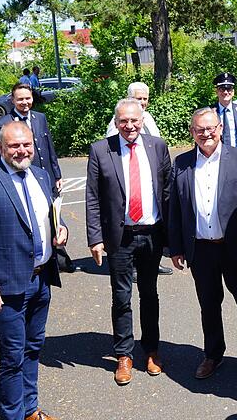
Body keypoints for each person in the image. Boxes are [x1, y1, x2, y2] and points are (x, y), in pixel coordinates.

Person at [0, 121, 68, 420]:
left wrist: (61, 231)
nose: (22, 150)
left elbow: (49, 217)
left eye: (26, 144)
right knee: (12, 356)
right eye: (14, 146)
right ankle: (13, 415)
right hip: (6, 286)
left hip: (41, 278)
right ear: (1, 148)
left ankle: (30, 408)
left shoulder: (41, 176)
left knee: (33, 348)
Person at [169, 107, 237, 380]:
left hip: (233, 247)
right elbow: (176, 207)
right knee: (209, 305)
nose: (206, 133)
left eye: (211, 128)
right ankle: (213, 354)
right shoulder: (182, 163)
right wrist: (176, 247)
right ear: (192, 132)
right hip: (201, 249)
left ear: (220, 128)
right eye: (200, 129)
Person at [85, 98, 171, 385]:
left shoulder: (157, 146)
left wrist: (173, 238)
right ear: (116, 121)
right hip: (120, 237)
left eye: (134, 120)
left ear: (143, 119)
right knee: (121, 296)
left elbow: (168, 191)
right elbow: (93, 198)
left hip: (151, 234)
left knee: (150, 294)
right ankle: (124, 354)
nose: (129, 126)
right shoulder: (100, 150)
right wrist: (95, 238)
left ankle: (151, 350)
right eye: (123, 121)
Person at [106, 82, 172, 275]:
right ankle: (132, 265)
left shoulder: (147, 118)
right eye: (137, 98)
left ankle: (153, 261)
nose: (141, 102)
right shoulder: (118, 121)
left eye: (144, 99)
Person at [0, 83, 61, 195]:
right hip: (22, 182)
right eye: (20, 99)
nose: (25, 102)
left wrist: (57, 175)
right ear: (13, 100)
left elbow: (50, 149)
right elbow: (0, 159)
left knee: (52, 211)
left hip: (47, 179)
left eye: (28, 98)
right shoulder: (3, 124)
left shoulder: (40, 118)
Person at [210, 72, 237, 152]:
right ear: (216, 91)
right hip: (217, 157)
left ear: (233, 92)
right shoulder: (209, 112)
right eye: (222, 89)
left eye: (229, 89)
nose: (226, 92)